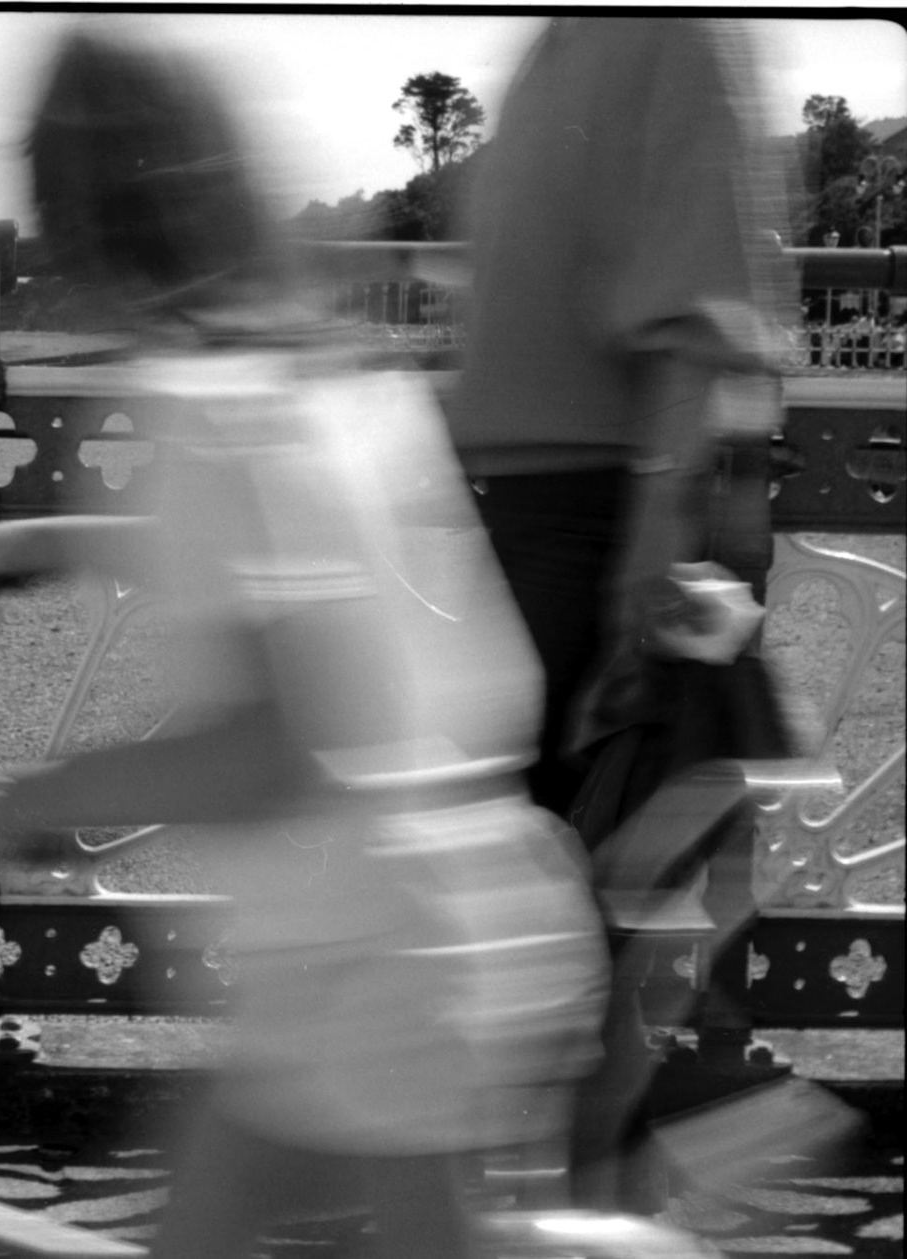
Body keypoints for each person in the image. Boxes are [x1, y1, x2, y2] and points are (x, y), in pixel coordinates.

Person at [0, 26, 608, 1259]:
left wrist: (38, 798)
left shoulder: (195, 412)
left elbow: (280, 750)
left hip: (372, 949)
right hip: (461, 884)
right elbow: (315, 572)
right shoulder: (330, 375)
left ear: (67, 217)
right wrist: (33, 546)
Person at [445, 18, 799, 1209]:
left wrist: (640, 588)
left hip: (594, 532)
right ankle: (601, 1202)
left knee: (579, 942)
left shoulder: (663, 33)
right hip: (551, 523)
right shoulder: (580, 39)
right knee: (565, 940)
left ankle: (608, 1205)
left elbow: (699, 333)